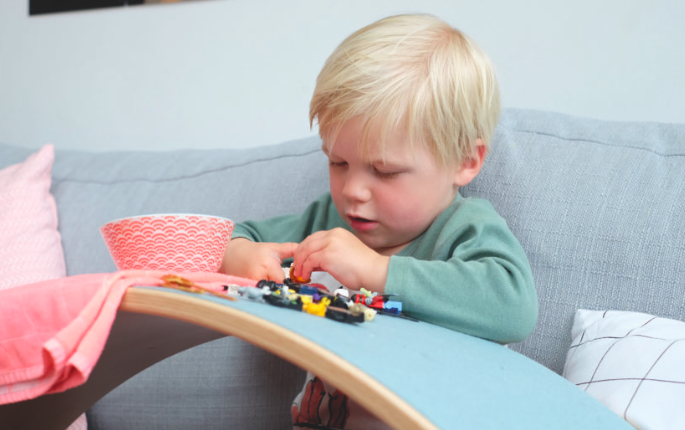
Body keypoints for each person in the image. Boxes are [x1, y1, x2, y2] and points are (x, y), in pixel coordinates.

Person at [219, 13, 538, 429]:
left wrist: (375, 270)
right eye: (338, 162)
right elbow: (236, 236)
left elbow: (513, 308)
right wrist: (238, 254)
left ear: (466, 161)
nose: (353, 189)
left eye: (384, 171)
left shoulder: (464, 228)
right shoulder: (327, 221)